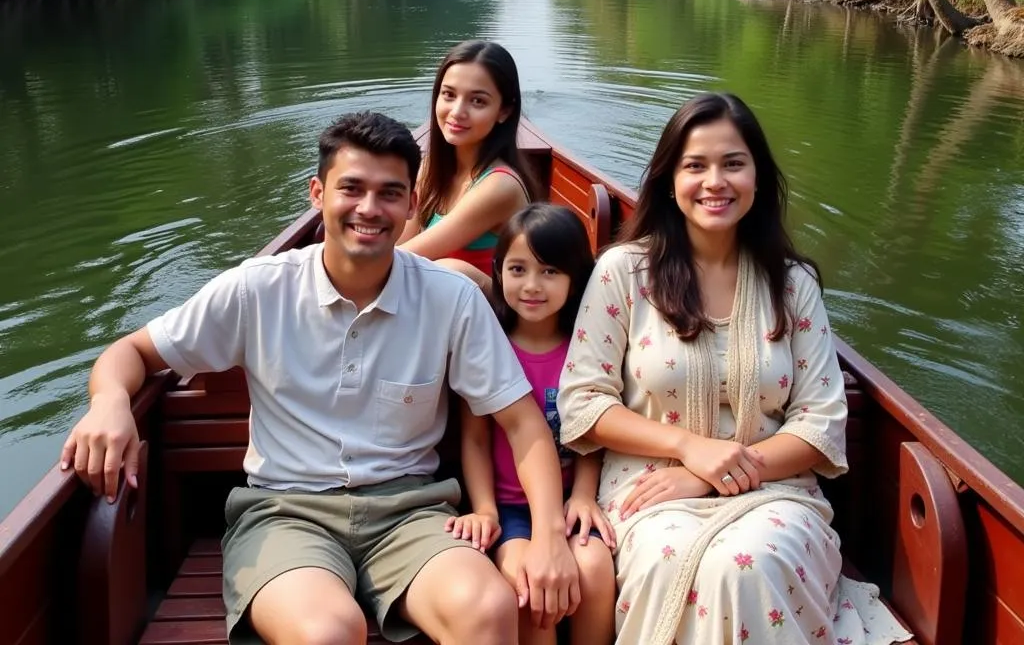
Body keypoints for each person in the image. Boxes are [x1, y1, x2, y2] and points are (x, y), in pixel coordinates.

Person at [60, 111, 579, 645]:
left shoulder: (450, 298)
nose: (369, 209)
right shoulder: (258, 289)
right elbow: (132, 352)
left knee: (490, 610)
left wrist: (549, 537)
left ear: (408, 209)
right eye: (351, 189)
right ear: (317, 193)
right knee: (327, 633)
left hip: (411, 513)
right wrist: (109, 404)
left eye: (390, 193)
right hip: (286, 512)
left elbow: (523, 425)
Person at [557, 93, 911, 645]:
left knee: (744, 564)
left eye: (733, 164)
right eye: (695, 165)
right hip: (650, 489)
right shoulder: (623, 272)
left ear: (758, 177)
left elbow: (820, 425)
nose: (714, 181)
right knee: (673, 563)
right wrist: (687, 447)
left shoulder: (793, 285)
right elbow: (584, 402)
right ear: (669, 179)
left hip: (776, 490)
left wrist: (710, 472)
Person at [446, 204, 616, 645]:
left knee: (596, 570)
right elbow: (476, 439)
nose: (532, 286)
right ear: (499, 272)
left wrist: (581, 494)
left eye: (550, 272)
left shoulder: (586, 348)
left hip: (570, 499)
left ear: (576, 278)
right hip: (509, 510)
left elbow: (595, 431)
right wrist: (483, 508)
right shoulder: (489, 346)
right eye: (518, 269)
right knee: (525, 585)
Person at [399, 40, 534, 292]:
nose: (457, 112)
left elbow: (410, 257)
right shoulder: (430, 168)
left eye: (478, 101)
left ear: (504, 111)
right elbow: (401, 244)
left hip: (492, 317)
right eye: (449, 95)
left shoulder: (500, 186)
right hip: (436, 303)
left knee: (452, 269)